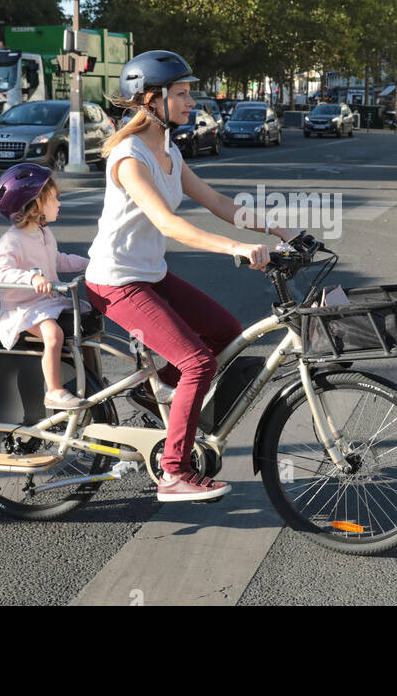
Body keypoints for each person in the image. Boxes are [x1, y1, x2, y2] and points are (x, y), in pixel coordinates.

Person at [85, 50, 296, 502]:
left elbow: (217, 202)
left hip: (149, 275)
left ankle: (156, 391)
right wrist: (236, 248)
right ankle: (174, 471)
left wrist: (276, 226)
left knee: (225, 330)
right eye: (180, 94)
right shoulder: (130, 157)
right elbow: (168, 224)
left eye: (188, 92)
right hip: (115, 282)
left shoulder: (169, 151)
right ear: (150, 100)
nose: (190, 101)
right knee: (197, 362)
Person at [0, 165, 91, 409]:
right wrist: (32, 279)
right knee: (53, 334)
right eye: (53, 199)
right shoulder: (11, 240)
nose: (58, 203)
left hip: (45, 302)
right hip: (21, 308)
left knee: (87, 320)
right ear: (34, 206)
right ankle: (54, 391)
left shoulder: (44, 232)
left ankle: (87, 378)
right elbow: (1, 272)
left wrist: (91, 264)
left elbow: (57, 260)